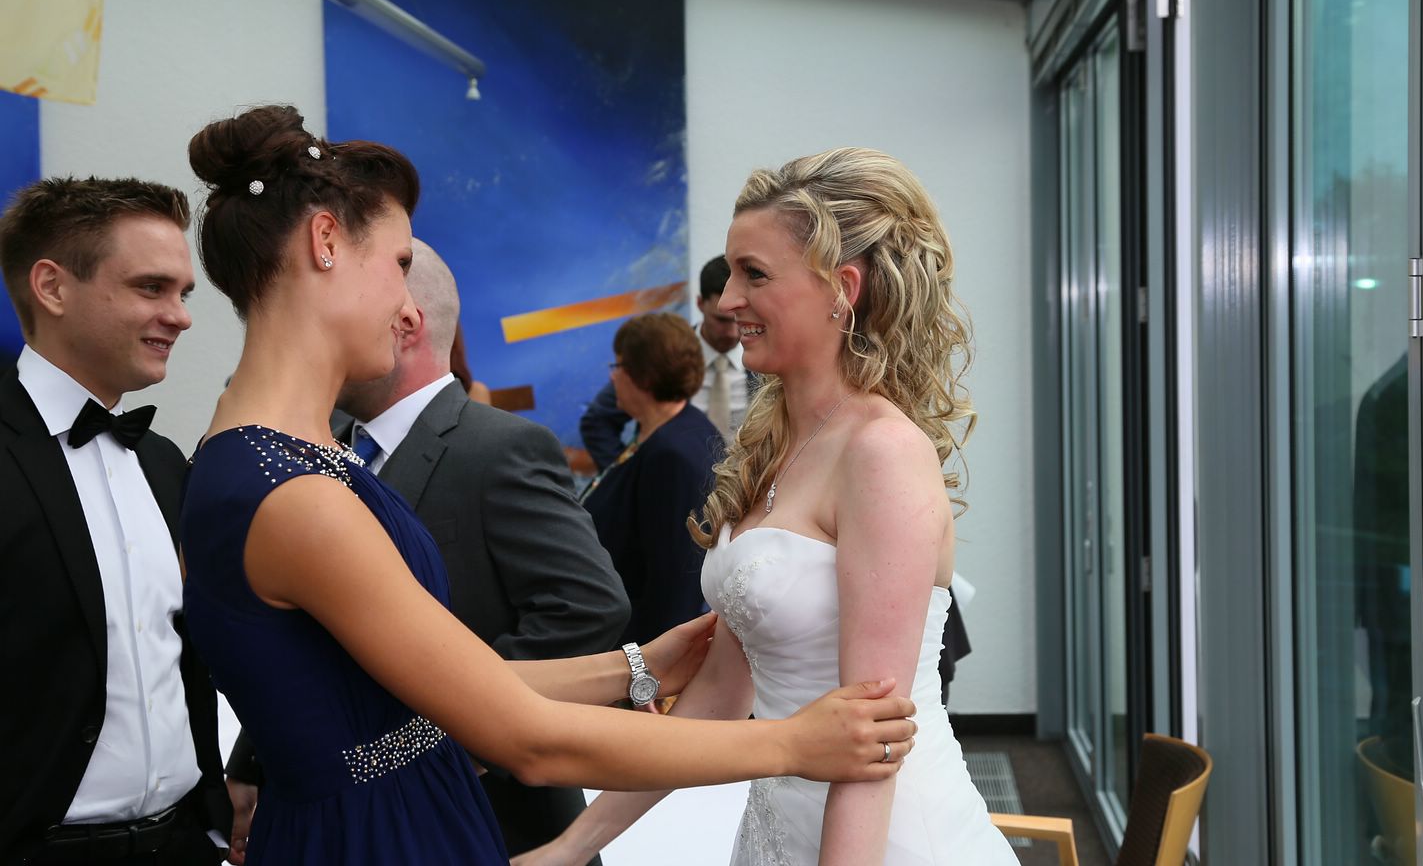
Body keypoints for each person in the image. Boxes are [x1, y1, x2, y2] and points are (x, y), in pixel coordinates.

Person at [177, 105, 918, 866]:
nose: (409, 306)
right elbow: (524, 738)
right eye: (399, 264)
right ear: (326, 242)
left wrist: (637, 668)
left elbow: (426, 695)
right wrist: (792, 742)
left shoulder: (273, 460)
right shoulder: (295, 493)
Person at [517, 148, 1014, 865]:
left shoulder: (881, 452)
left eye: (754, 274)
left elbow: (871, 746)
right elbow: (723, 686)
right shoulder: (778, 441)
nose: (726, 302)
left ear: (841, 288)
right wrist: (571, 846)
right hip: (777, 822)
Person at [223, 226, 632, 862]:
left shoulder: (500, 448)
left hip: (492, 820)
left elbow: (586, 607)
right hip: (334, 818)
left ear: (405, 323)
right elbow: (309, 636)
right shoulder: (319, 447)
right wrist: (253, 760)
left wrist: (466, 730)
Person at [0, 177, 232, 863]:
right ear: (52, 287)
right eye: (151, 287)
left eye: (183, 293)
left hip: (185, 844)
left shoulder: (164, 463)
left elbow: (185, 659)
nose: (180, 317)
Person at [581, 312, 722, 646]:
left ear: (643, 377)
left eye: (619, 366)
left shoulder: (672, 454)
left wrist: (644, 665)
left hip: (642, 648)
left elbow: (674, 581)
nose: (613, 376)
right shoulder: (667, 430)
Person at [579, 256, 751, 469]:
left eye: (739, 319)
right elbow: (598, 421)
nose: (732, 332)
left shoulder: (767, 362)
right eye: (721, 320)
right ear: (699, 303)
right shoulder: (665, 353)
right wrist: (630, 474)